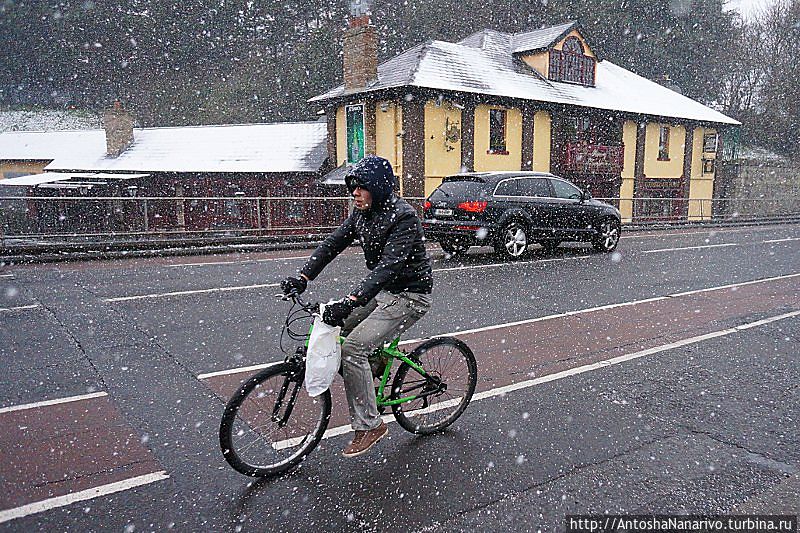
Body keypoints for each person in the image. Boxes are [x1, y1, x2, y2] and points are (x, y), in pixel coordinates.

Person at [281, 155, 433, 457]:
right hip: (383, 292)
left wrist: (351, 301)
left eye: (360, 187)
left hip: (410, 297)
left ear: (377, 187)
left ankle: (370, 426)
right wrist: (303, 276)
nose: (354, 193)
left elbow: (388, 267)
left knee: (352, 349)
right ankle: (373, 365)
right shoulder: (362, 214)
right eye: (352, 187)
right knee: (335, 330)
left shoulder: (403, 217)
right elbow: (332, 244)